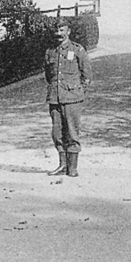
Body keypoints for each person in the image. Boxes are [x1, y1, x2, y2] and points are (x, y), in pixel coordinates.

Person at [43, 19, 92, 177]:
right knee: (57, 133)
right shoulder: (50, 51)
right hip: (55, 98)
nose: (58, 34)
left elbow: (87, 76)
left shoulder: (77, 50)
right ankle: (62, 165)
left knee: (72, 132)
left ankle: (73, 168)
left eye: (62, 30)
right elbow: (48, 76)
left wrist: (78, 92)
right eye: (56, 30)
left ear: (68, 31)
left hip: (72, 99)